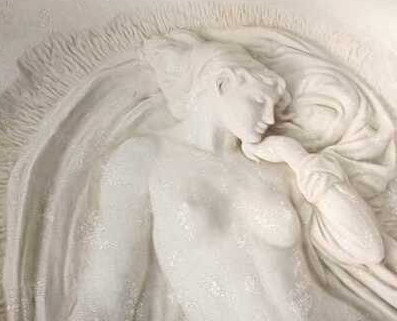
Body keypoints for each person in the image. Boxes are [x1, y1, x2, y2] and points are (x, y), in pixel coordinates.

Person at [67, 38, 393, 320]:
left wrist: (298, 157)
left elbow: (367, 249)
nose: (270, 117)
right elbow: (109, 290)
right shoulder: (145, 158)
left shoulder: (273, 167)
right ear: (222, 84)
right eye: (259, 101)